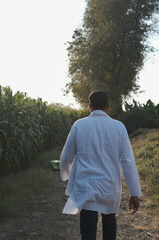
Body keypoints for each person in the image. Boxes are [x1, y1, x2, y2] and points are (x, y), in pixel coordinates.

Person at [60, 90, 141, 240]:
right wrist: (134, 192)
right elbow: (128, 161)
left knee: (88, 229)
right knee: (110, 224)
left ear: (89, 107)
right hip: (110, 188)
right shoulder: (119, 127)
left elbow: (66, 157)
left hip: (86, 187)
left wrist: (66, 177)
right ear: (108, 107)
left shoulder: (79, 125)